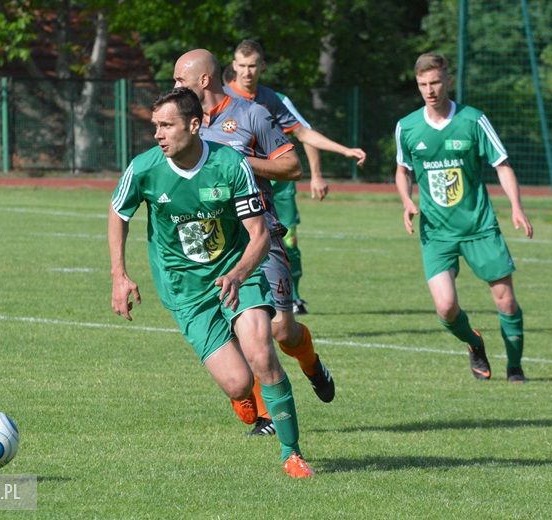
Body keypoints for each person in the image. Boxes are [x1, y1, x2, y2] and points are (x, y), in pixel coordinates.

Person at [108, 87, 313, 477]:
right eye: (155, 126)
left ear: (194, 125)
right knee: (238, 383)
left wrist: (238, 274)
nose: (158, 134)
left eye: (167, 125)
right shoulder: (145, 168)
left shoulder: (230, 164)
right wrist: (119, 275)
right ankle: (240, 395)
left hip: (237, 274)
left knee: (262, 354)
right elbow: (118, 212)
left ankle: (292, 454)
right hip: (185, 290)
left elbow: (259, 235)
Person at [173, 49, 335, 436]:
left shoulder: (252, 115)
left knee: (281, 330)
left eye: (180, 79)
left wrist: (239, 161)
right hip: (215, 243)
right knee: (238, 332)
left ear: (203, 81)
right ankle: (264, 416)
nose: (175, 86)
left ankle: (311, 363)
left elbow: (291, 166)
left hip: (259, 235)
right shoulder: (184, 125)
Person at [394, 52, 533, 383]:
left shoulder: (473, 120)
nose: (430, 90)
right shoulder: (407, 127)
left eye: (435, 82)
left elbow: (502, 164)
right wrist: (406, 200)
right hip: (436, 232)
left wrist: (516, 206)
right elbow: (402, 170)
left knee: (506, 301)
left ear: (448, 80)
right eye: (423, 84)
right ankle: (474, 342)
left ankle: (515, 368)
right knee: (445, 307)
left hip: (479, 226)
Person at [226, 39, 368, 315]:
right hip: (237, 188)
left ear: (263, 66)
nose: (247, 72)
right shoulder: (222, 98)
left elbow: (304, 133)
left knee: (287, 241)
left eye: (252, 65)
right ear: (234, 65)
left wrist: (341, 152)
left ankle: (290, 298)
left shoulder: (273, 100)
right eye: (242, 65)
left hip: (276, 186)